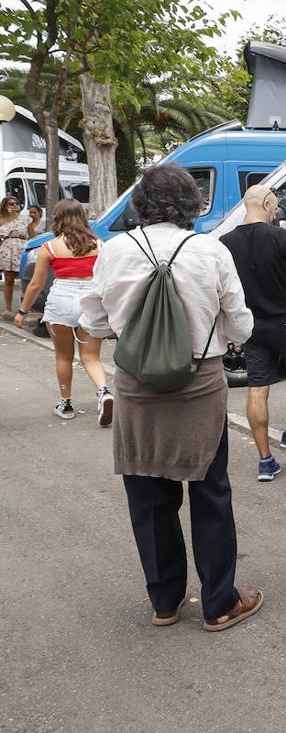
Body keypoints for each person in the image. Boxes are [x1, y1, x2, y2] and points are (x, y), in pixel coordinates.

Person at [79, 164, 263, 631]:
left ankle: (164, 600)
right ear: (191, 205)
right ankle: (220, 603)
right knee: (210, 493)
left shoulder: (115, 251)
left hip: (136, 387)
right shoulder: (210, 251)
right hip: (199, 387)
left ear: (139, 204)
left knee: (147, 494)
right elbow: (241, 324)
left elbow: (95, 324)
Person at [220, 184, 286, 481]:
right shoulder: (280, 236)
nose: (276, 212)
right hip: (284, 320)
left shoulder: (225, 242)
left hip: (251, 326)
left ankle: (265, 461)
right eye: (274, 207)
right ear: (264, 204)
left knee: (257, 388)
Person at [14, 199, 112, 423]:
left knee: (63, 356)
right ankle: (104, 391)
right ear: (82, 217)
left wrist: (22, 311)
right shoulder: (99, 245)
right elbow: (107, 279)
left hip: (61, 301)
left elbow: (36, 284)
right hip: (90, 301)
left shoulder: (49, 247)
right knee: (90, 356)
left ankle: (66, 404)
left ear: (58, 218)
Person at [0, 195, 27, 319]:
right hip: (6, 251)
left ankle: (25, 308)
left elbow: (31, 236)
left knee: (25, 279)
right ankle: (8, 309)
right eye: (11, 204)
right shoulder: (1, 219)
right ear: (5, 206)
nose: (14, 206)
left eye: (16, 203)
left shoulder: (24, 219)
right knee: (9, 280)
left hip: (21, 249)